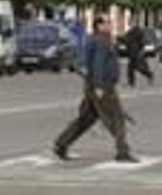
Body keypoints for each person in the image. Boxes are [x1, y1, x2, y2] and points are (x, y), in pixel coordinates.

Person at [53, 14, 136, 163]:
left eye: (110, 22)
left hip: (92, 86)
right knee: (117, 118)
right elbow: (98, 64)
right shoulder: (101, 41)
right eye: (107, 22)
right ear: (99, 26)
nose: (110, 24)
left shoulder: (93, 39)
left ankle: (61, 144)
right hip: (103, 87)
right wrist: (99, 86)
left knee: (85, 119)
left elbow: (85, 62)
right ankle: (122, 151)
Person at [122, 22, 154, 88]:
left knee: (139, 68)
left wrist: (141, 49)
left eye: (132, 22)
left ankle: (149, 75)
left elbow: (130, 39)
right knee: (130, 69)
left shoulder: (137, 31)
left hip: (136, 53)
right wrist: (121, 39)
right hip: (132, 53)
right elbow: (126, 39)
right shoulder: (131, 31)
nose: (130, 24)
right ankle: (131, 83)